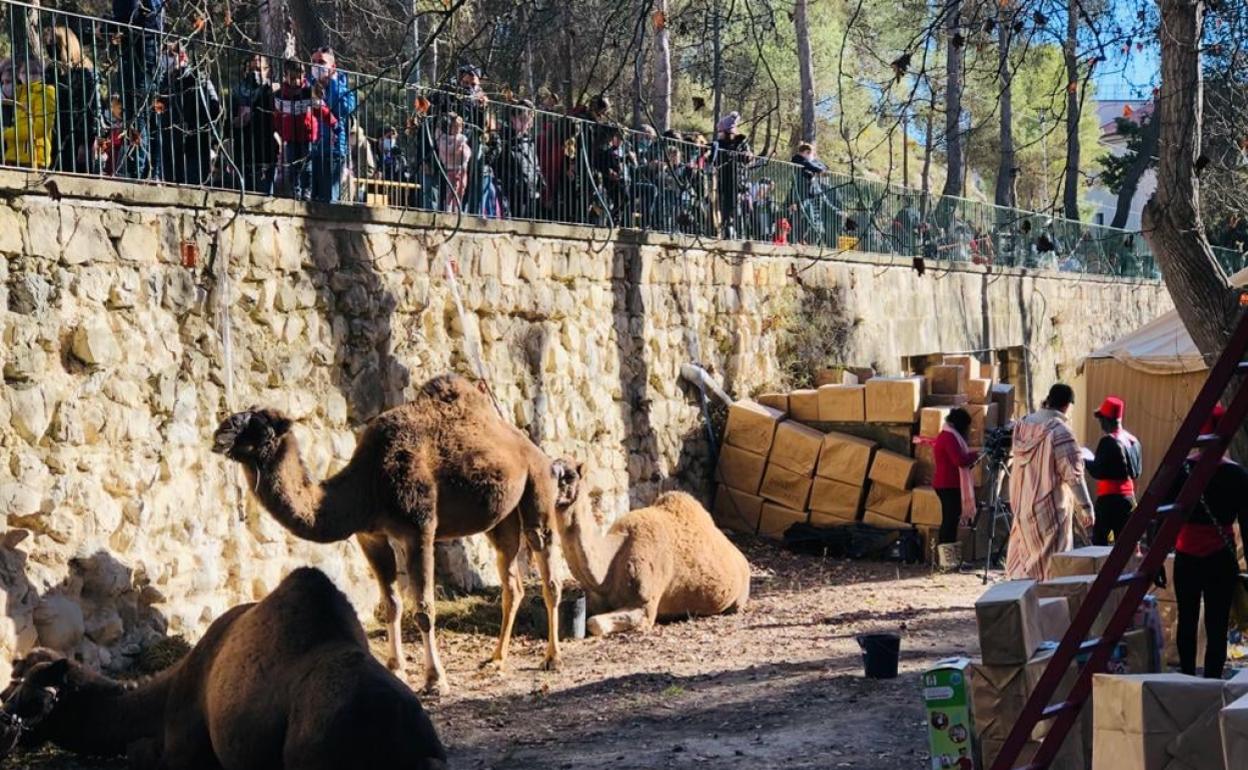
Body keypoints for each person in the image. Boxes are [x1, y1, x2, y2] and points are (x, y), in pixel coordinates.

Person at [1165, 405, 1248, 679]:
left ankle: (1187, 678)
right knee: (1217, 625)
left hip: (1186, 555)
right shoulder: (1238, 475)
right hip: (1221, 558)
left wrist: (1154, 563)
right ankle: (1212, 681)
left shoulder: (1181, 470)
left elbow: (1164, 519)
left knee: (1186, 621)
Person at [1005, 383, 1094, 580]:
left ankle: (1024, 601)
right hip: (1049, 507)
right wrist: (1086, 506)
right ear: (1067, 406)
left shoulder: (1022, 425)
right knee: (1053, 562)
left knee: (1026, 557)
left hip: (1022, 502)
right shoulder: (1060, 431)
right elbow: (1074, 475)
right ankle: (1046, 603)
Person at [113, 0, 166, 179]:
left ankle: (138, 171)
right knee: (136, 114)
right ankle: (145, 171)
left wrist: (112, 25)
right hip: (134, 50)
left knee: (139, 114)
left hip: (143, 52)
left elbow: (142, 17)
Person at [156, 44, 221, 185]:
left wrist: (205, 130)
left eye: (169, 56)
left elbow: (214, 106)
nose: (164, 61)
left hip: (195, 136)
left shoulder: (197, 77)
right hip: (172, 139)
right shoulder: (165, 81)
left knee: (194, 180)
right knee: (172, 179)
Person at [45, 25, 103, 174]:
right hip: (56, 134)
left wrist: (86, 142)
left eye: (54, 43)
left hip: (77, 137)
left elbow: (92, 111)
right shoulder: (52, 72)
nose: (50, 47)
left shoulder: (85, 74)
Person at [1084, 396, 1142, 546]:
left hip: (1109, 502)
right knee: (1126, 546)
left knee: (1100, 546)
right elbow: (1137, 472)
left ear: (1106, 420)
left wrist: (1084, 460)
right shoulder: (1134, 441)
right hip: (1129, 500)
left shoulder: (1108, 441)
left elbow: (1097, 471)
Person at [274, 59, 332, 201]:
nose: (296, 81)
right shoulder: (280, 94)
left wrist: (333, 123)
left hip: (307, 134)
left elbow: (321, 110)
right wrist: (278, 131)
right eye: (292, 78)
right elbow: (277, 115)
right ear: (285, 76)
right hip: (290, 136)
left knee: (307, 166)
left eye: (299, 77)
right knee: (293, 165)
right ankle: (295, 191)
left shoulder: (309, 91)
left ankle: (307, 191)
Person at [307, 47, 356, 202]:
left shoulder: (343, 89)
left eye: (321, 62)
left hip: (333, 150)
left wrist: (333, 84)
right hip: (311, 148)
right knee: (309, 198)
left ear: (333, 67)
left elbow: (344, 109)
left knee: (329, 199)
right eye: (313, 62)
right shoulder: (307, 86)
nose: (316, 66)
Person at [231, 54, 278, 194]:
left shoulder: (272, 91)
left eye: (258, 69)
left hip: (265, 151)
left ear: (267, 70)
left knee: (264, 197)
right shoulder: (237, 91)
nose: (254, 73)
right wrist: (237, 121)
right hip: (243, 150)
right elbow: (229, 121)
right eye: (251, 69)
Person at [934, 408, 981, 546]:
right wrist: (975, 455)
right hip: (947, 484)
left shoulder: (949, 435)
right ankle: (945, 556)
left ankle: (949, 556)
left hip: (949, 484)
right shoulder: (949, 437)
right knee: (949, 520)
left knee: (952, 520)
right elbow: (959, 460)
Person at [492, 100, 543, 220]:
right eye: (524, 120)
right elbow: (498, 165)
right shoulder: (504, 139)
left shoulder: (528, 140)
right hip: (513, 193)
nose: (529, 124)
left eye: (529, 120)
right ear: (513, 119)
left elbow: (534, 162)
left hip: (530, 192)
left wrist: (539, 177)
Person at [2, 58, 57, 169]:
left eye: (33, 72)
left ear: (41, 75)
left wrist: (6, 133)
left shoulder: (45, 92)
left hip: (34, 157)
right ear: (19, 76)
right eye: (24, 72)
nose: (28, 75)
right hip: (12, 155)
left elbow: (40, 128)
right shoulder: (19, 92)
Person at [710, 111, 750, 238]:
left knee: (732, 209)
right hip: (721, 179)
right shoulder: (719, 144)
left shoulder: (741, 143)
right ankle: (722, 229)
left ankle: (733, 232)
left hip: (735, 180)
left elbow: (747, 158)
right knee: (721, 207)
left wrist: (745, 156)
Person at [436, 112, 472, 212]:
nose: (457, 129)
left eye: (459, 127)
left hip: (462, 168)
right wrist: (458, 143)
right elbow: (449, 151)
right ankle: (447, 209)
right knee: (452, 190)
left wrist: (464, 150)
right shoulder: (445, 138)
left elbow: (468, 153)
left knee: (461, 189)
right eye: (455, 126)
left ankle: (457, 210)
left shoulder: (462, 138)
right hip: (451, 168)